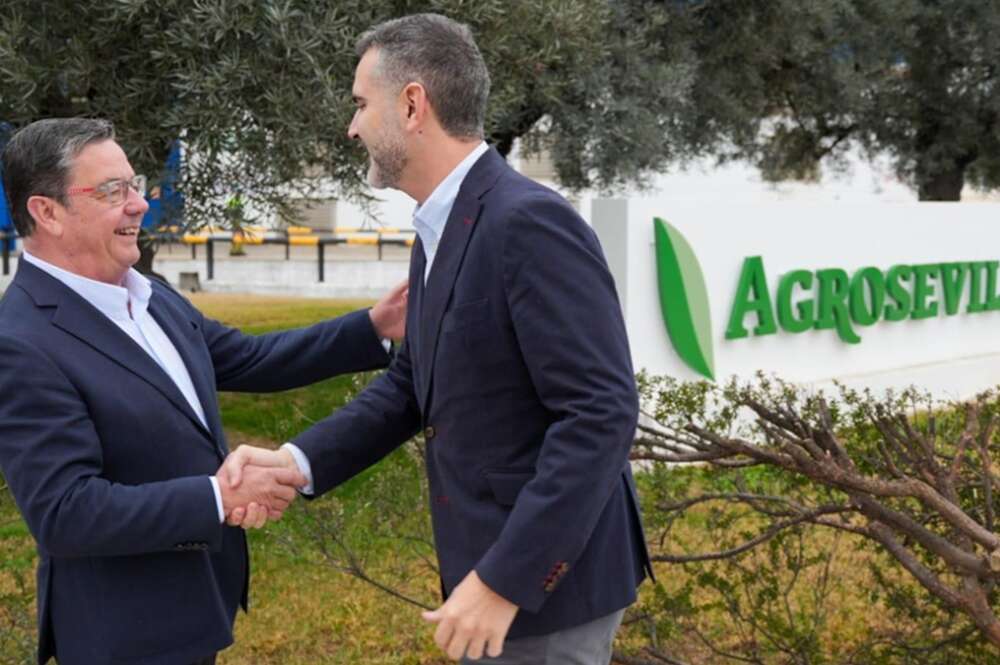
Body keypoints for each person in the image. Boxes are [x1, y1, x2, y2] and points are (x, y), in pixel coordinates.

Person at [224, 13, 653, 664]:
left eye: (361, 105)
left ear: (413, 104)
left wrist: (506, 578)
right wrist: (297, 463)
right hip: (491, 579)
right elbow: (412, 384)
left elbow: (601, 412)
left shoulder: (527, 222)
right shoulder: (443, 224)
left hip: (546, 594)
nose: (353, 126)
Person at [0, 117, 406, 665]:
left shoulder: (149, 295)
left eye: (135, 184)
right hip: (122, 635)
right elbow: (67, 513)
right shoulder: (22, 342)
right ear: (46, 212)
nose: (139, 205)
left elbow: (251, 359)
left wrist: (374, 327)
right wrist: (219, 498)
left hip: (192, 610)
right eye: (111, 191)